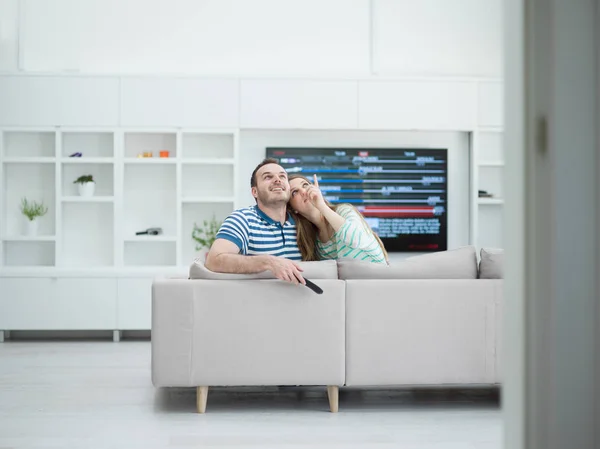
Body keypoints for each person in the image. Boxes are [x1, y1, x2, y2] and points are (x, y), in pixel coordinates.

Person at [205, 159, 306, 285]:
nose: (277, 180)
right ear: (255, 192)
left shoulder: (302, 223)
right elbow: (213, 260)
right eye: (268, 177)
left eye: (282, 176)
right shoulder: (242, 219)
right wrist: (269, 262)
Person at [287, 174, 388, 264]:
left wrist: (321, 206)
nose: (304, 191)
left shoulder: (344, 210)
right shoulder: (313, 240)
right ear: (293, 209)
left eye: (305, 185)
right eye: (295, 192)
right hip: (351, 283)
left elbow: (355, 239)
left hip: (378, 279)